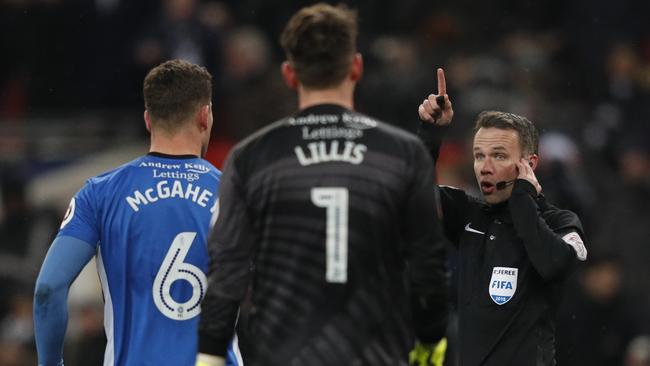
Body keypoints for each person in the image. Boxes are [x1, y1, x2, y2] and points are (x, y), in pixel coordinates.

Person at [195, 3, 449, 366]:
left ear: (289, 74)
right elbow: (428, 268)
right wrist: (430, 346)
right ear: (356, 67)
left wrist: (209, 354)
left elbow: (228, 270)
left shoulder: (252, 157)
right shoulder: (404, 154)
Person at [33, 59, 227, 366]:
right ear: (205, 116)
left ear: (148, 119)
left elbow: (48, 288)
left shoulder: (99, 193)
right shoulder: (234, 193)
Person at [416, 68, 588, 365]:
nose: (484, 167)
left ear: (529, 163)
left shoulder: (561, 222)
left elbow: (552, 264)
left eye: (498, 156)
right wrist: (431, 133)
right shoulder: (468, 216)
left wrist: (522, 196)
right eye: (479, 155)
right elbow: (412, 193)